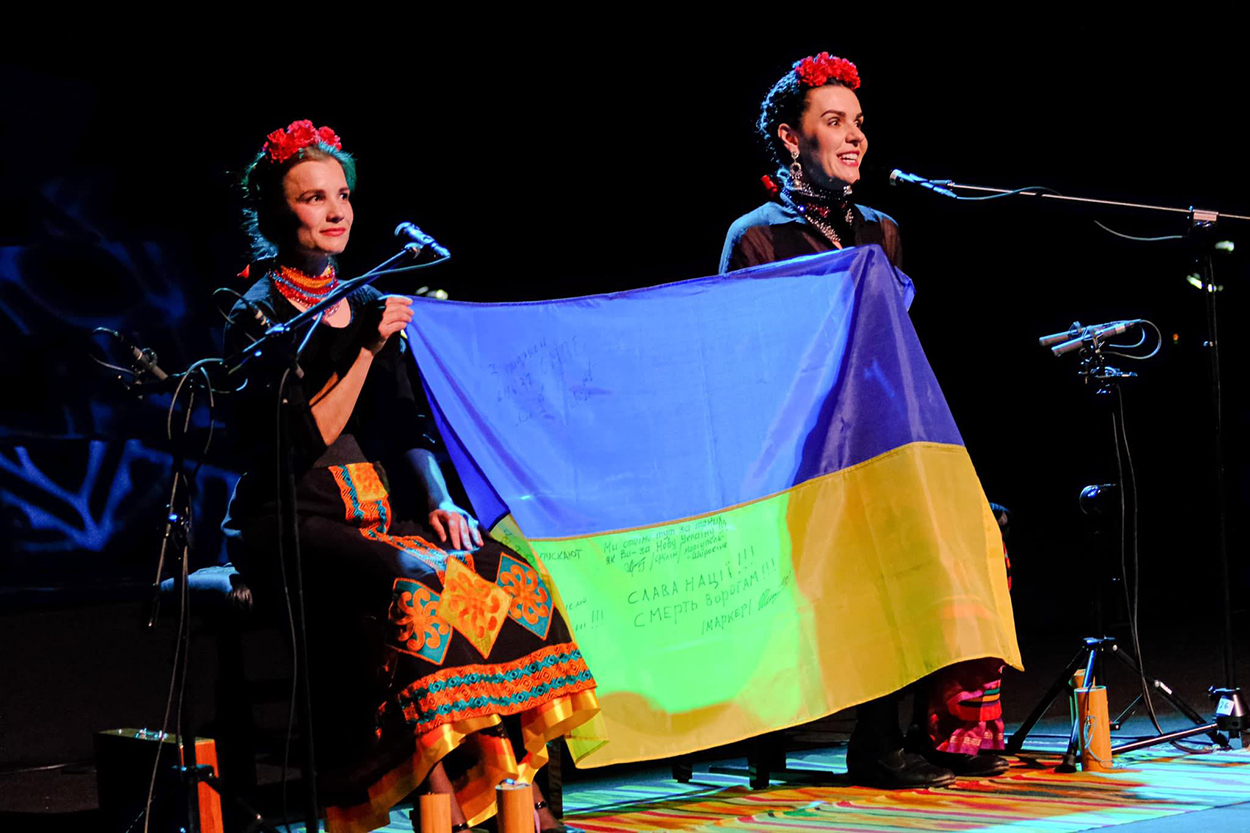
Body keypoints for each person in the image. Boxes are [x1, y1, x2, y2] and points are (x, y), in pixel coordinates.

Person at [221, 119, 597, 833]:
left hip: (378, 513)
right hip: (294, 517)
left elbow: (406, 427)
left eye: (341, 195)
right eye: (312, 198)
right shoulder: (257, 315)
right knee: (418, 587)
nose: (335, 211)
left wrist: (441, 499)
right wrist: (366, 346)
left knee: (507, 576)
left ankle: (515, 795)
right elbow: (306, 436)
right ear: (276, 214)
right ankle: (439, 803)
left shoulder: (366, 303)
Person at [720, 54, 1008, 788]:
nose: (855, 137)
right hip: (796, 458)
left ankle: (942, 727)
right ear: (792, 138)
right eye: (834, 122)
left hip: (879, 443)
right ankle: (871, 742)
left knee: (965, 525)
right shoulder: (756, 237)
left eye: (857, 123)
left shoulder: (882, 231)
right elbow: (739, 365)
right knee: (865, 537)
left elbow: (898, 355)